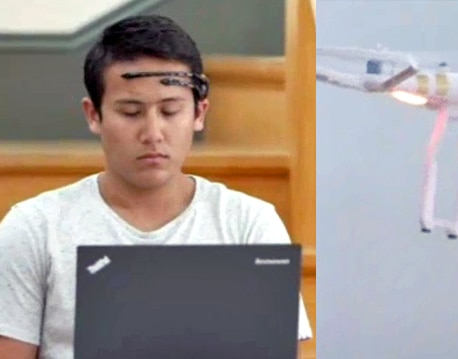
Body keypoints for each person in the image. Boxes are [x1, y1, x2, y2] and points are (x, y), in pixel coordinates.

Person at [0, 14, 312, 358]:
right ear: (93, 115)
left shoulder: (247, 223)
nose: (152, 133)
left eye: (170, 110)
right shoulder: (34, 228)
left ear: (199, 113)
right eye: (131, 112)